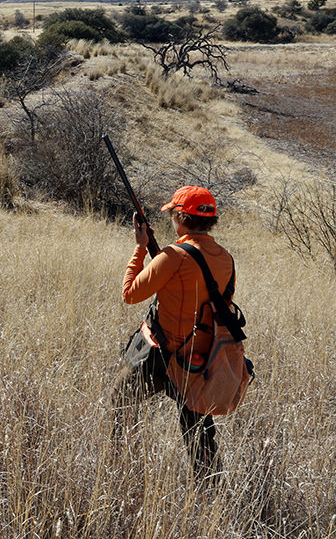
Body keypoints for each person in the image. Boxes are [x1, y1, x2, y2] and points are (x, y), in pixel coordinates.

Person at [110, 185, 234, 476]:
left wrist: (141, 248)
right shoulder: (225, 258)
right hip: (199, 360)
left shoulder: (173, 255)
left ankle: (118, 470)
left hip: (159, 355)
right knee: (199, 434)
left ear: (181, 217)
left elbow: (129, 294)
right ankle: (211, 490)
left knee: (120, 404)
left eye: (173, 214)